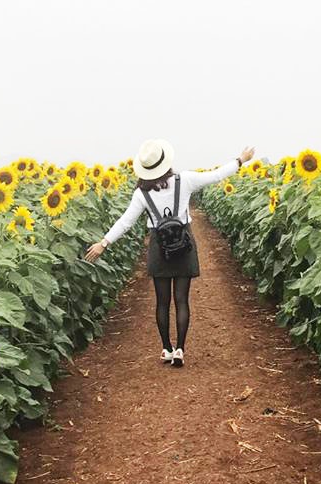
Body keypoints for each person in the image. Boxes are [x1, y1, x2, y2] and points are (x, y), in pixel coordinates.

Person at [85, 139, 255, 367]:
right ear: (165, 162)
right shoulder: (183, 180)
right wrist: (240, 160)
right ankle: (181, 350)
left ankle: (166, 348)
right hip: (183, 243)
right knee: (182, 300)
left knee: (162, 302)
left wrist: (103, 243)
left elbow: (125, 222)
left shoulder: (141, 193)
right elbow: (215, 175)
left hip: (159, 246)